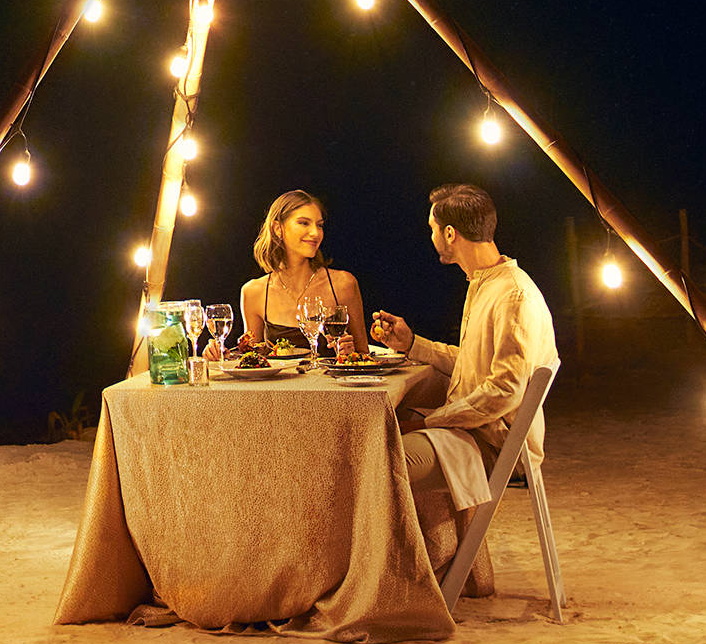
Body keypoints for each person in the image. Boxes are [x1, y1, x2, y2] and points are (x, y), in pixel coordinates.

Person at [367, 183, 558, 519]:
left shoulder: (512, 295)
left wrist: (435, 419)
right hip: (476, 433)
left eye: (432, 229)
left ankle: (396, 569)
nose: (431, 237)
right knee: (380, 432)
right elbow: (475, 363)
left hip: (495, 446)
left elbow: (504, 390)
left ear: (450, 233)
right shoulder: (486, 282)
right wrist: (411, 344)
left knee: (376, 461)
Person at [235, 190, 365, 357]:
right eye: (304, 223)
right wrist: (221, 355)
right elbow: (252, 361)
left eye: (319, 225)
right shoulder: (253, 292)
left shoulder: (343, 284)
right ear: (277, 228)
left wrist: (350, 353)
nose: (315, 233)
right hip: (280, 385)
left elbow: (364, 357)